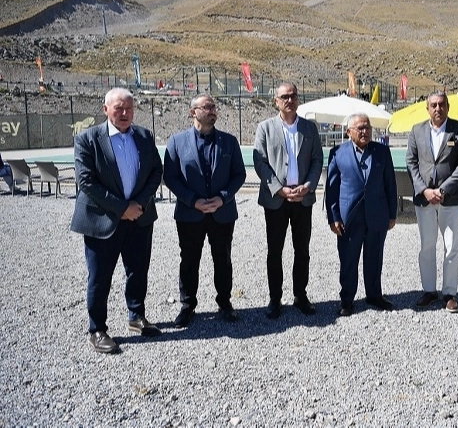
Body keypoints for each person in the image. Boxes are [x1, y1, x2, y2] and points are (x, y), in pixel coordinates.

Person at [70, 88, 163, 354]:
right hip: (102, 220)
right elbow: (86, 181)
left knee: (138, 271)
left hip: (139, 218)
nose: (124, 113)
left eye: (129, 108)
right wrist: (122, 208)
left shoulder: (144, 136)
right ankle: (97, 330)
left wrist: (139, 205)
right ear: (105, 109)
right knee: (100, 277)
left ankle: (136, 316)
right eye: (118, 108)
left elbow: (156, 171)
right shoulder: (87, 139)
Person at [163, 95, 246, 328]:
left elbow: (239, 174)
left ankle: (225, 302)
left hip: (222, 213)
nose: (212, 110)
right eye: (207, 107)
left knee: (223, 259)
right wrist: (193, 201)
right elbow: (170, 177)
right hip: (190, 214)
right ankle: (188, 305)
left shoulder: (229, 142)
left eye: (214, 107)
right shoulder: (177, 142)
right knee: (189, 260)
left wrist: (223, 198)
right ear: (193, 112)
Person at [254, 82, 324, 319]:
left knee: (302, 250)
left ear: (298, 99)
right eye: (284, 97)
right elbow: (260, 162)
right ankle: (275, 298)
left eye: (293, 96)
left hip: (302, 199)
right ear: (276, 101)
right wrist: (279, 189)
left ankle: (300, 295)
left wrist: (308, 185)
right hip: (276, 201)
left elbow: (317, 160)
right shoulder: (265, 128)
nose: (289, 100)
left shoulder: (310, 128)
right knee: (275, 251)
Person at [405, 91, 458, 312]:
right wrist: (424, 190)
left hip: (451, 199)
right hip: (424, 199)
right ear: (427, 108)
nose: (437, 108)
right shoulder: (417, 130)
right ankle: (429, 290)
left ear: (448, 107)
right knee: (427, 245)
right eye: (433, 105)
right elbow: (411, 162)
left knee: (451, 247)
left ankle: (449, 293)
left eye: (441, 104)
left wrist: (443, 190)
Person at [325, 113, 397, 317]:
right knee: (348, 259)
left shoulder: (382, 152)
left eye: (368, 127)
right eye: (360, 128)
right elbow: (332, 188)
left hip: (377, 214)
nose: (365, 131)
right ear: (349, 132)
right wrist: (333, 217)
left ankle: (374, 295)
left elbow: (390, 184)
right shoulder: (338, 153)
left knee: (374, 257)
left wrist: (392, 214)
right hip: (349, 218)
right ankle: (347, 300)